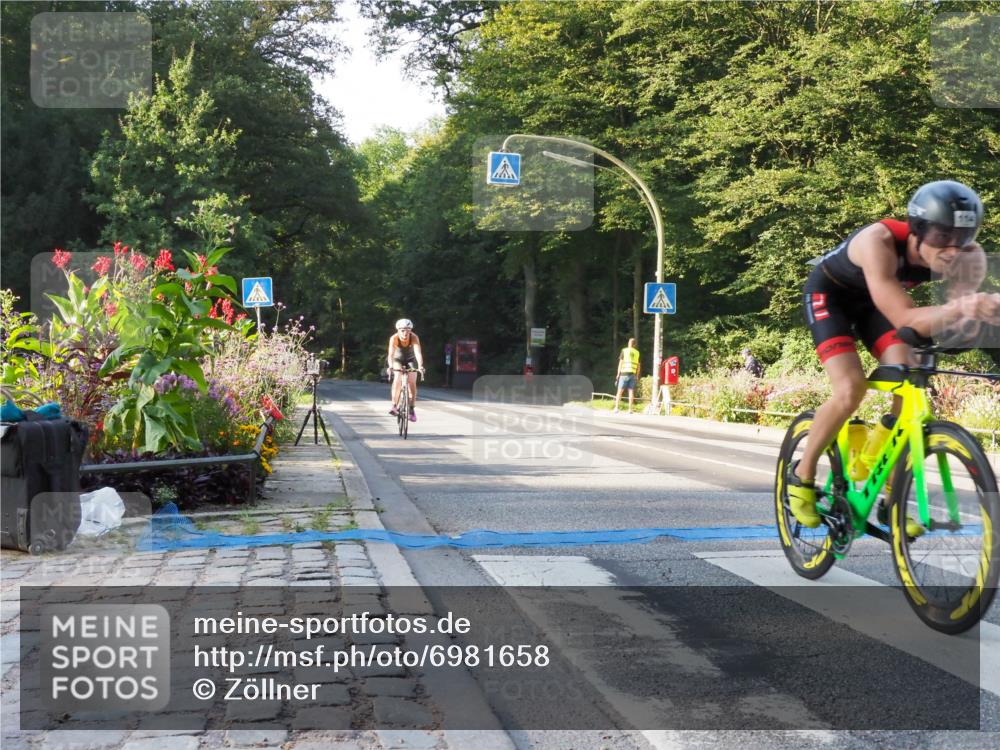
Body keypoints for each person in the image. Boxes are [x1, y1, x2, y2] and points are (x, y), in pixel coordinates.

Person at [786, 180, 1000, 535]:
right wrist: (965, 307)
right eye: (942, 237)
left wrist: (982, 315)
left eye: (962, 238)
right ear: (917, 230)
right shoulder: (878, 242)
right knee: (850, 389)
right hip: (832, 298)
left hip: (878, 306)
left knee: (908, 377)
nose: (952, 249)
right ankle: (802, 475)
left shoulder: (969, 257)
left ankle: (889, 495)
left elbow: (953, 320)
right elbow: (906, 318)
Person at [387, 319, 425, 422]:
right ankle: (394, 405)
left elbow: (418, 353)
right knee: (397, 378)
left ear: (411, 331)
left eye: (408, 330)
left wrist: (420, 366)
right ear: (398, 330)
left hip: (411, 359)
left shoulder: (414, 337)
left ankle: (411, 409)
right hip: (397, 359)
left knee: (412, 381)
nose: (405, 333)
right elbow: (391, 354)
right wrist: (390, 366)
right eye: (402, 330)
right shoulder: (394, 338)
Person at [614, 338, 641, 414]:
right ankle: (630, 409)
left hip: (624, 374)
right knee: (631, 391)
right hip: (632, 374)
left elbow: (620, 363)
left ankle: (616, 408)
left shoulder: (624, 350)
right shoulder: (637, 353)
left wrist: (618, 374)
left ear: (629, 343)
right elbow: (639, 366)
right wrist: (637, 375)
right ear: (634, 345)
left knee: (620, 391)